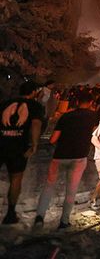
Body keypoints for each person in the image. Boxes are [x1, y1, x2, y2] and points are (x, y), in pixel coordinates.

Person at [33, 89, 98, 229]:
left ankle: (39, 218)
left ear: (76, 102)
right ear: (91, 102)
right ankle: (64, 222)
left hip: (60, 156)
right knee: (71, 190)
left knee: (49, 186)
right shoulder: (93, 116)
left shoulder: (65, 117)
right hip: (79, 158)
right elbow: (94, 133)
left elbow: (53, 139)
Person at [0, 81, 44, 224]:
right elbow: (36, 124)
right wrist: (35, 144)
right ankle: (10, 214)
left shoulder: (5, 103)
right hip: (18, 147)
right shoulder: (35, 106)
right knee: (16, 179)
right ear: (34, 92)